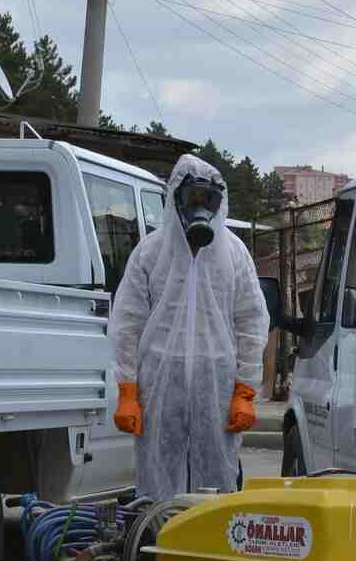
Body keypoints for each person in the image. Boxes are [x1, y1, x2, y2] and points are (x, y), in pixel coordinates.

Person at [109, 154, 269, 500]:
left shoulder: (234, 253)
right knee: (158, 478)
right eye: (192, 199)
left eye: (208, 200)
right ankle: (156, 545)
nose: (200, 209)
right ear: (175, 201)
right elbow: (127, 324)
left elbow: (251, 323)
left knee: (217, 478)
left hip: (217, 385)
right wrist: (127, 393)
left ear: (219, 203)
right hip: (160, 384)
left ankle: (210, 547)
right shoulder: (150, 252)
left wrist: (244, 392)